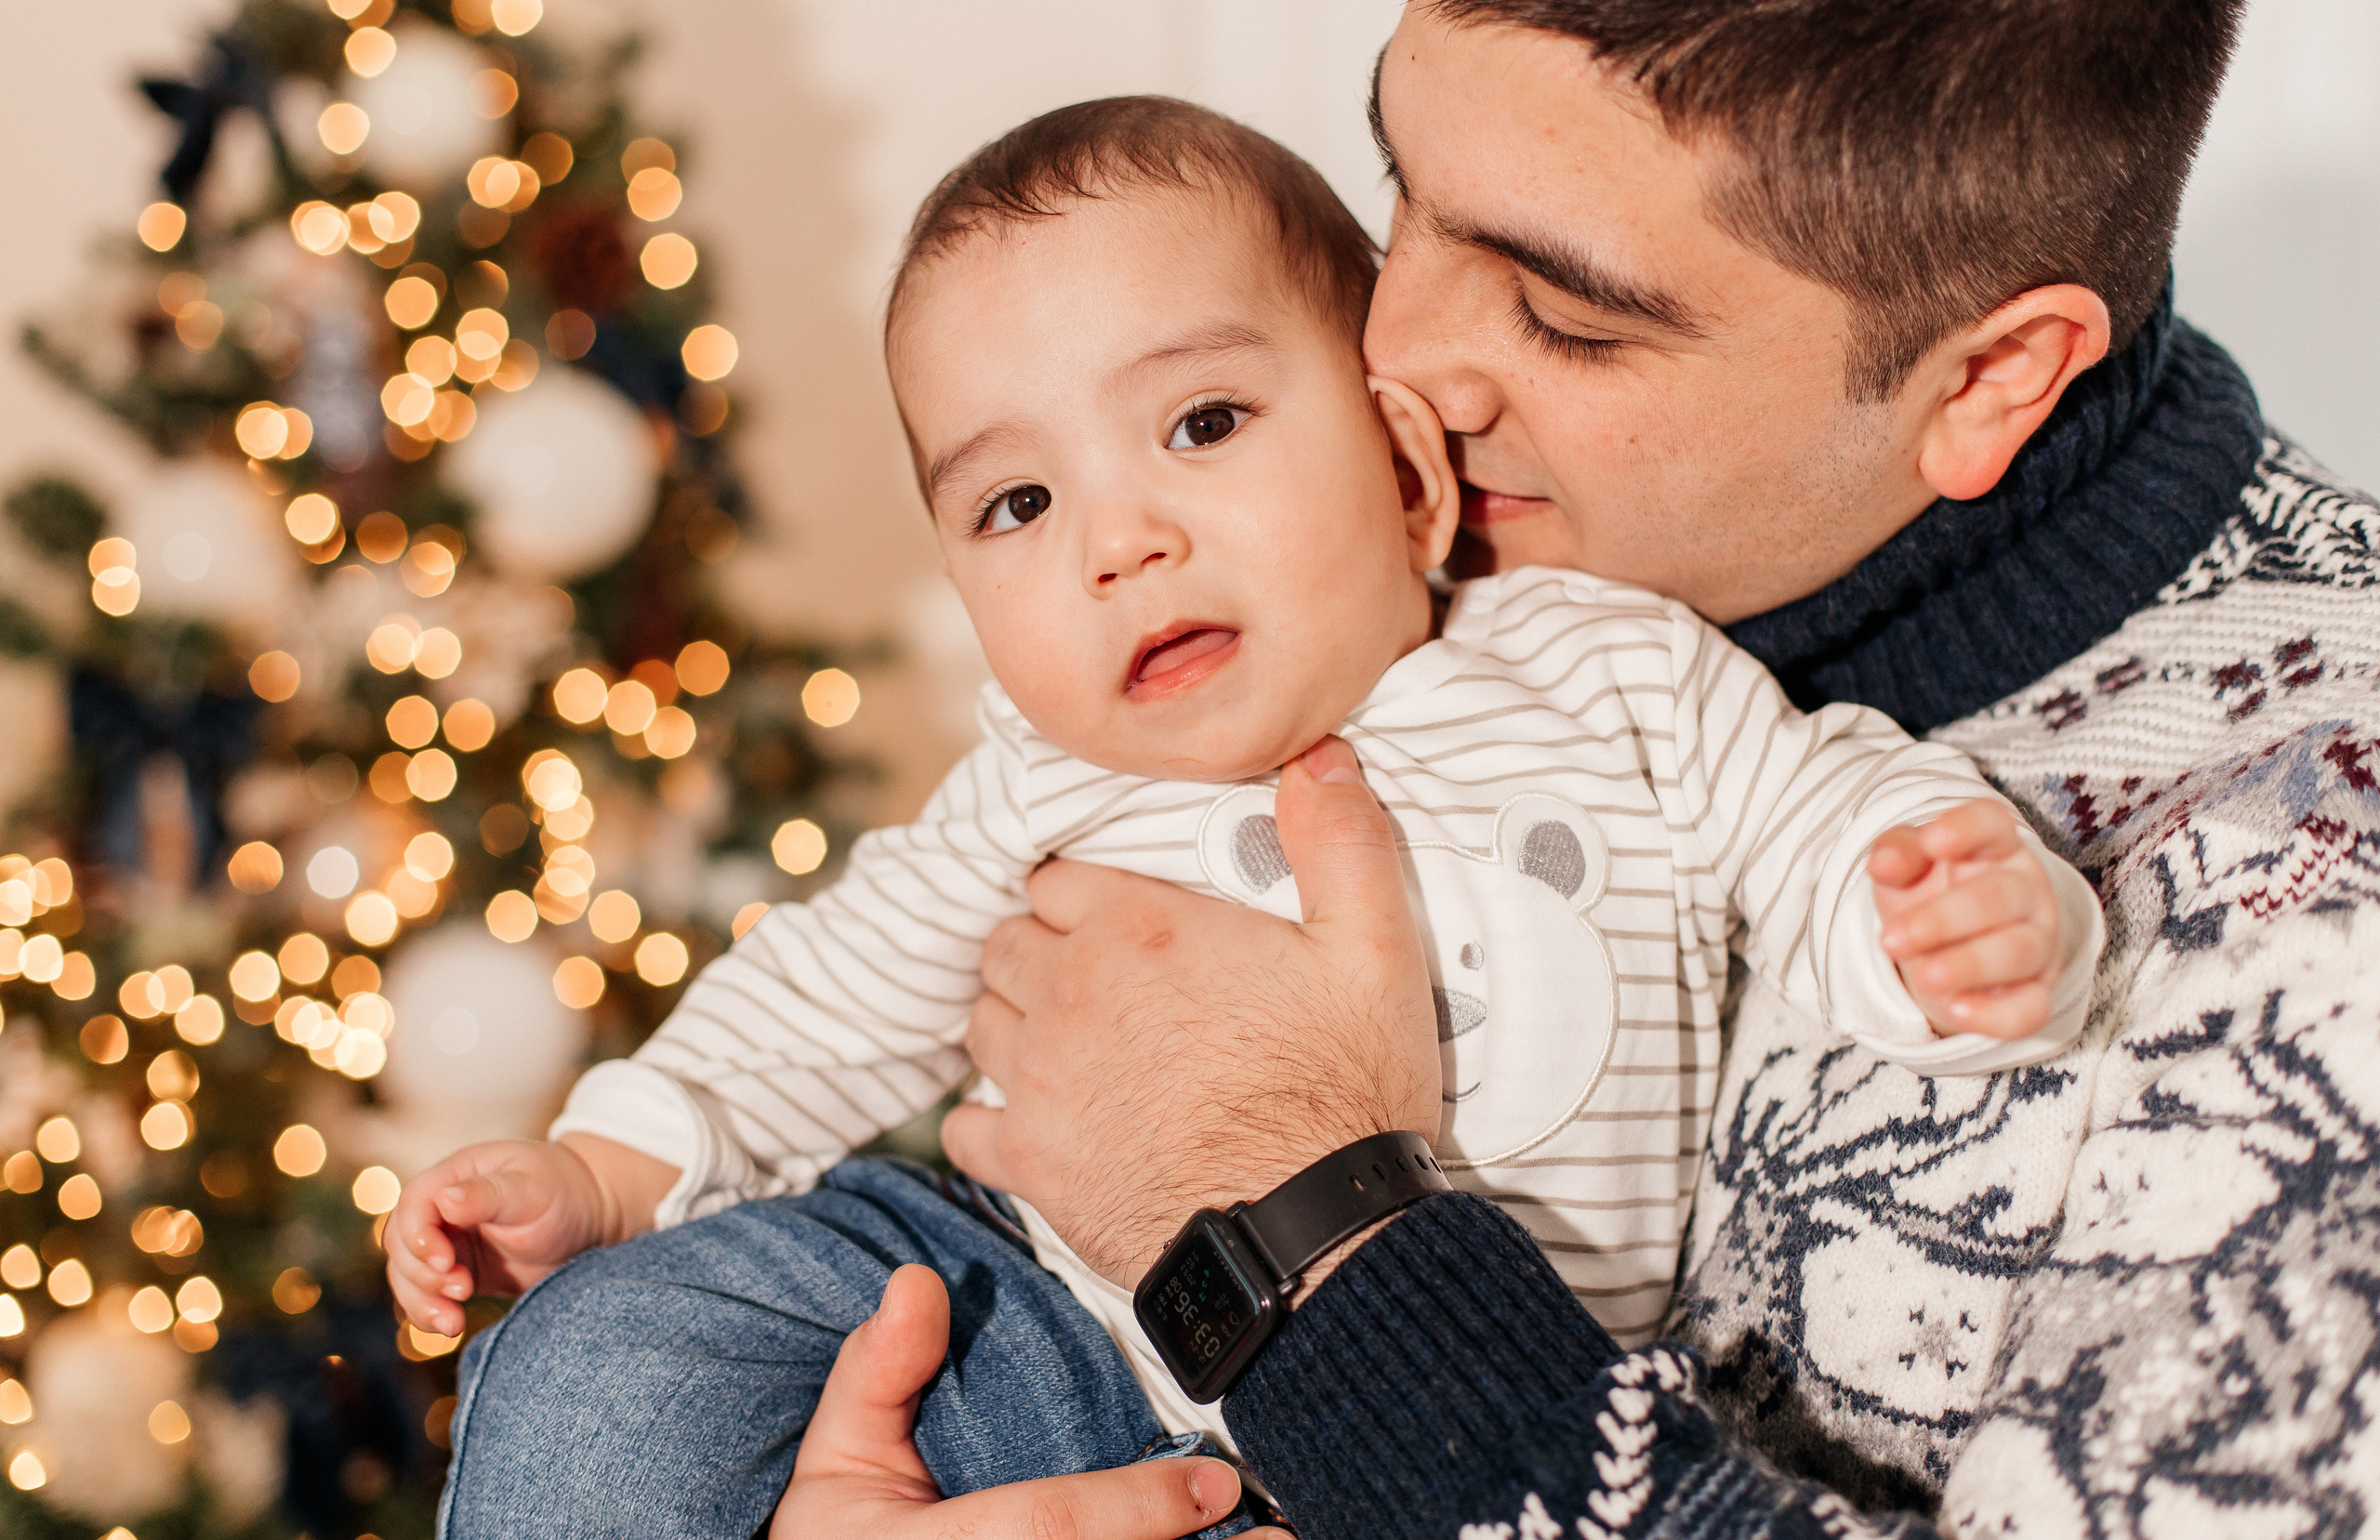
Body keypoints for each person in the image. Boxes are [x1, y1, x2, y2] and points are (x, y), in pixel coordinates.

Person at [389, 98, 2101, 1536]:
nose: (1114, 541)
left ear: (1408, 464)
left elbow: (1814, 819)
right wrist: (611, 1168)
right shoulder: (1041, 780)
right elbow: (825, 1004)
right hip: (1014, 1316)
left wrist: (1941, 919)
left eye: (1202, 422)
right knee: (600, 1357)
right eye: (1015, 501)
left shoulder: (1607, 672)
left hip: (1428, 1399)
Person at [919, 0, 2380, 1536]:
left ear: (1988, 376)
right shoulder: (1461, 541)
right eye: (1399, 179)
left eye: (1564, 315)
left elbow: (1201, 1139)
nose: (1389, 356)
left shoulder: (2318, 901)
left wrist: (1311, 1245)